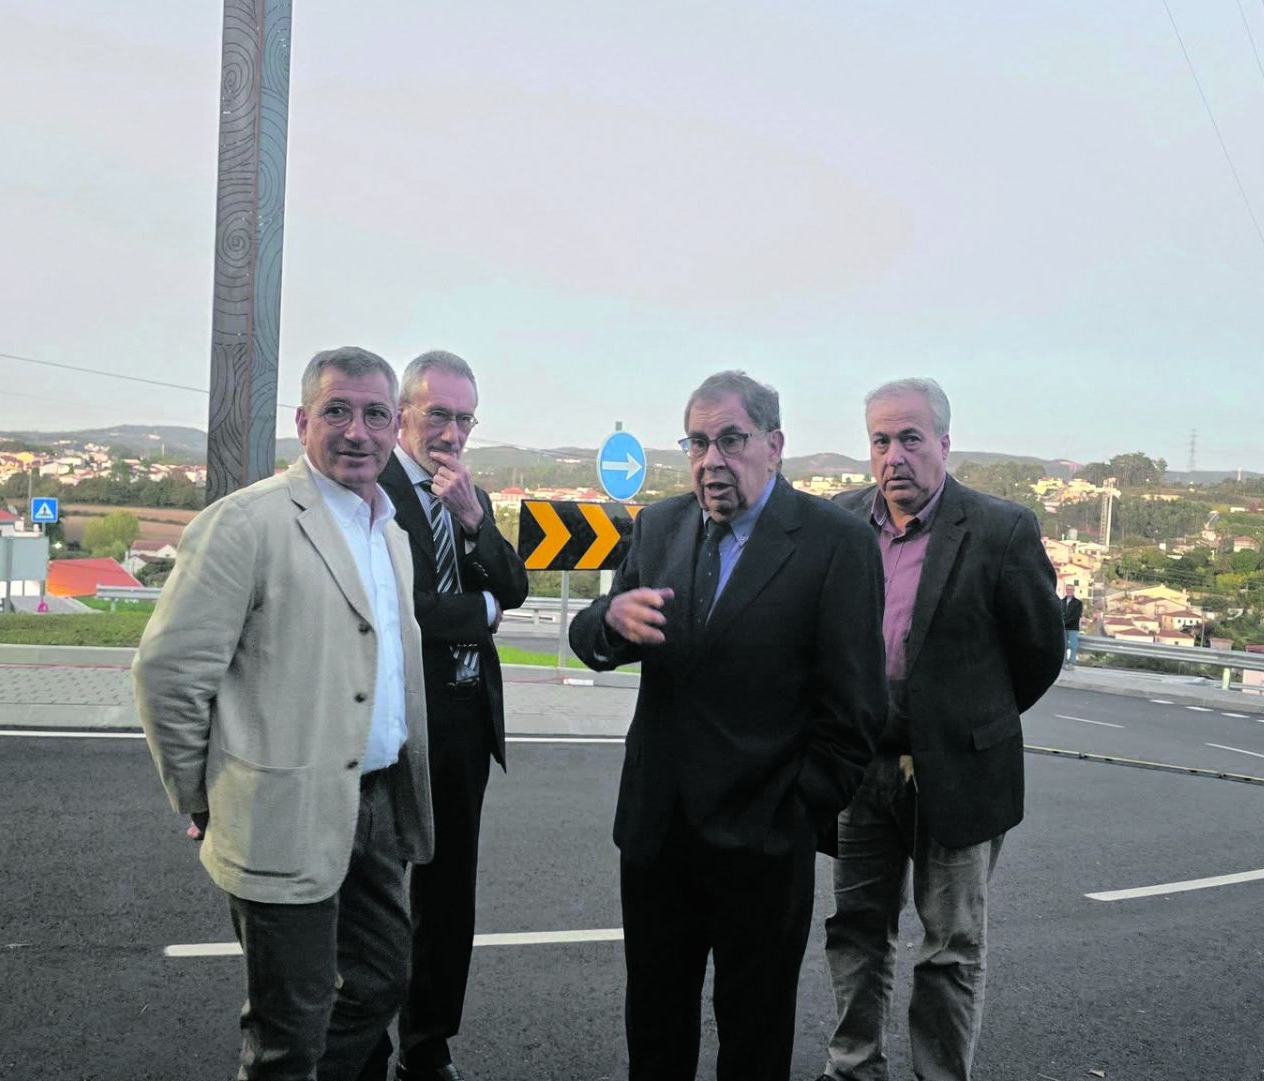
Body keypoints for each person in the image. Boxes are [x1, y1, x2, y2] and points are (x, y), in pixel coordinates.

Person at [568, 370, 883, 1081]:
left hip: (764, 845)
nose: (713, 459)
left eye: (731, 440)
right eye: (699, 442)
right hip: (657, 835)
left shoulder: (835, 544)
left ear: (774, 445)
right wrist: (609, 621)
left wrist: (795, 813)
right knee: (654, 1026)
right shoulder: (659, 525)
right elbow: (598, 635)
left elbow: (856, 710)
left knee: (754, 1036)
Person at [134, 347, 434, 1081]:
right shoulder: (248, 524)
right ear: (303, 422)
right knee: (288, 1024)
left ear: (396, 428)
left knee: (379, 981)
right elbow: (170, 672)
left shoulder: (389, 532)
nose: (356, 431)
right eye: (337, 411)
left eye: (374, 414)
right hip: (281, 809)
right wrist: (204, 794)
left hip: (375, 808)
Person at [820, 377, 1064, 1081]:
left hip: (958, 770)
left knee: (951, 943)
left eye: (910, 437)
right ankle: (853, 1067)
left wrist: (968, 722)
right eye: (880, 439)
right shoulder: (839, 524)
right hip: (862, 769)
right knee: (857, 930)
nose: (894, 455)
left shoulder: (1000, 529)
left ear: (944, 444)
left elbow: (1038, 652)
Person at [365, 352, 529, 1081]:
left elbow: (517, 584)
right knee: (373, 893)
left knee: (448, 894)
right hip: (394, 721)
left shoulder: (472, 496)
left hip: (462, 722)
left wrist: (473, 522)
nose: (453, 433)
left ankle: (427, 1046)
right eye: (440, 415)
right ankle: (364, 1044)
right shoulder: (373, 491)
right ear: (404, 414)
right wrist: (482, 610)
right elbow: (404, 612)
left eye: (465, 419)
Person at [1060, 583, 1084, 668]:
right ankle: (1063, 663)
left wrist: (1063, 622)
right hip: (1063, 628)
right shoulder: (1061, 602)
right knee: (1063, 646)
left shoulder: (1078, 603)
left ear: (1073, 591)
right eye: (1068, 589)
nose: (1069, 591)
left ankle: (1071, 663)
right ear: (1065, 590)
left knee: (1073, 646)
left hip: (1073, 628)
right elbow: (1059, 614)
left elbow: (1076, 616)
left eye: (1071, 589)